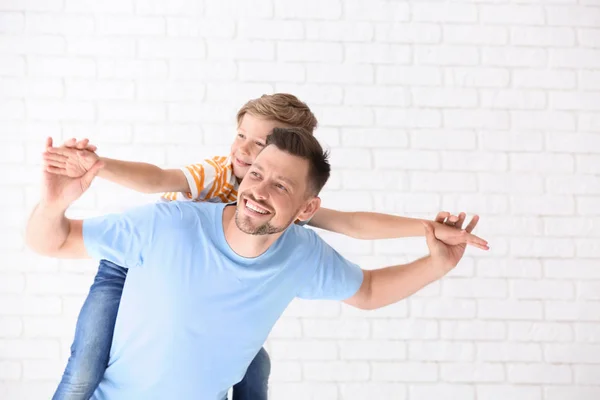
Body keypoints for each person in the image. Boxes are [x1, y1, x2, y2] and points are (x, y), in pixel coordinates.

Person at [42, 94, 486, 400]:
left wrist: (427, 231)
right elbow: (156, 179)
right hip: (132, 268)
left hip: (220, 295)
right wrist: (98, 168)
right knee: (85, 364)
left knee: (255, 370)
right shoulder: (212, 180)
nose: (246, 153)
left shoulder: (291, 226)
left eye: (262, 145)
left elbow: (353, 228)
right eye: (242, 137)